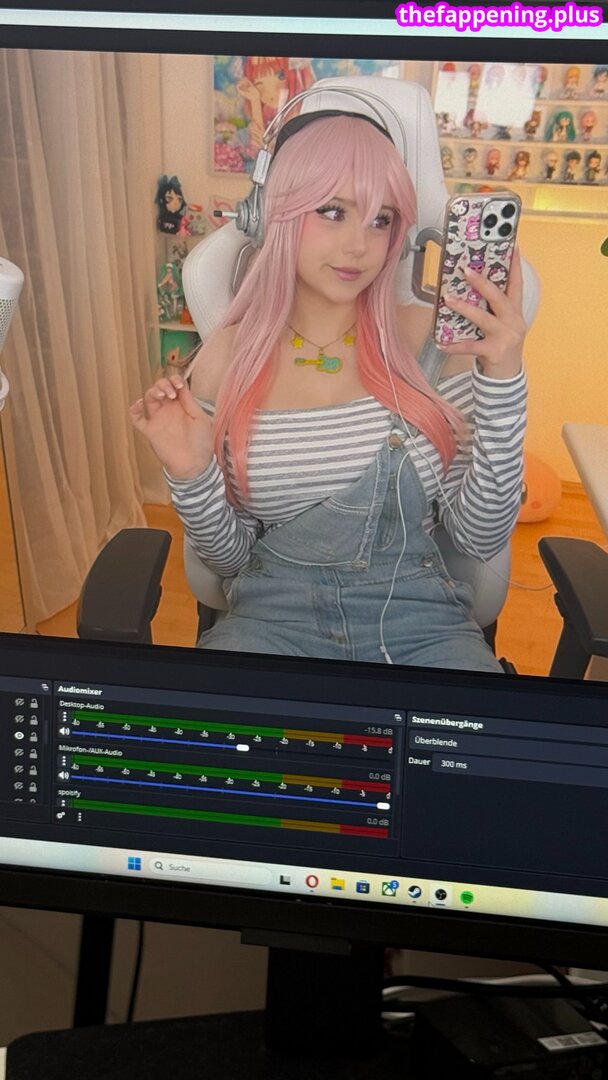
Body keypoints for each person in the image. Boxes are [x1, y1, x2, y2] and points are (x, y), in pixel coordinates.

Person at [131, 113, 527, 672]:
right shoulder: (227, 358)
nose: (358, 246)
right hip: (271, 624)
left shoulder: (433, 343)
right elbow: (230, 561)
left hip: (423, 626)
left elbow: (477, 536)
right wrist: (190, 472)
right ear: (277, 214)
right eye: (333, 211)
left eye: (380, 220)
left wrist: (504, 376)